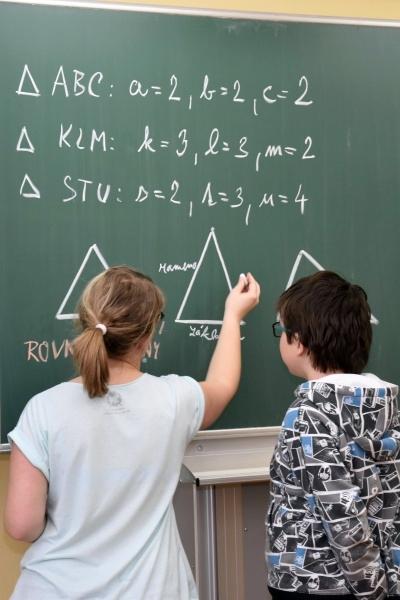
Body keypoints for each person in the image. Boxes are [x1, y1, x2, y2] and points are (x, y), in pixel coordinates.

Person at [5, 265, 260, 600]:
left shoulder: (43, 409)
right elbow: (222, 384)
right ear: (146, 337)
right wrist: (232, 315)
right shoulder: (174, 400)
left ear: (85, 321)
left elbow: (22, 525)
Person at [266, 271, 400, 600]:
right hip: (387, 577)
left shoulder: (307, 416)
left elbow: (341, 514)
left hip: (316, 583)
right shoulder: (388, 407)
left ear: (299, 341)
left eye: (281, 330)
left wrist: (371, 592)